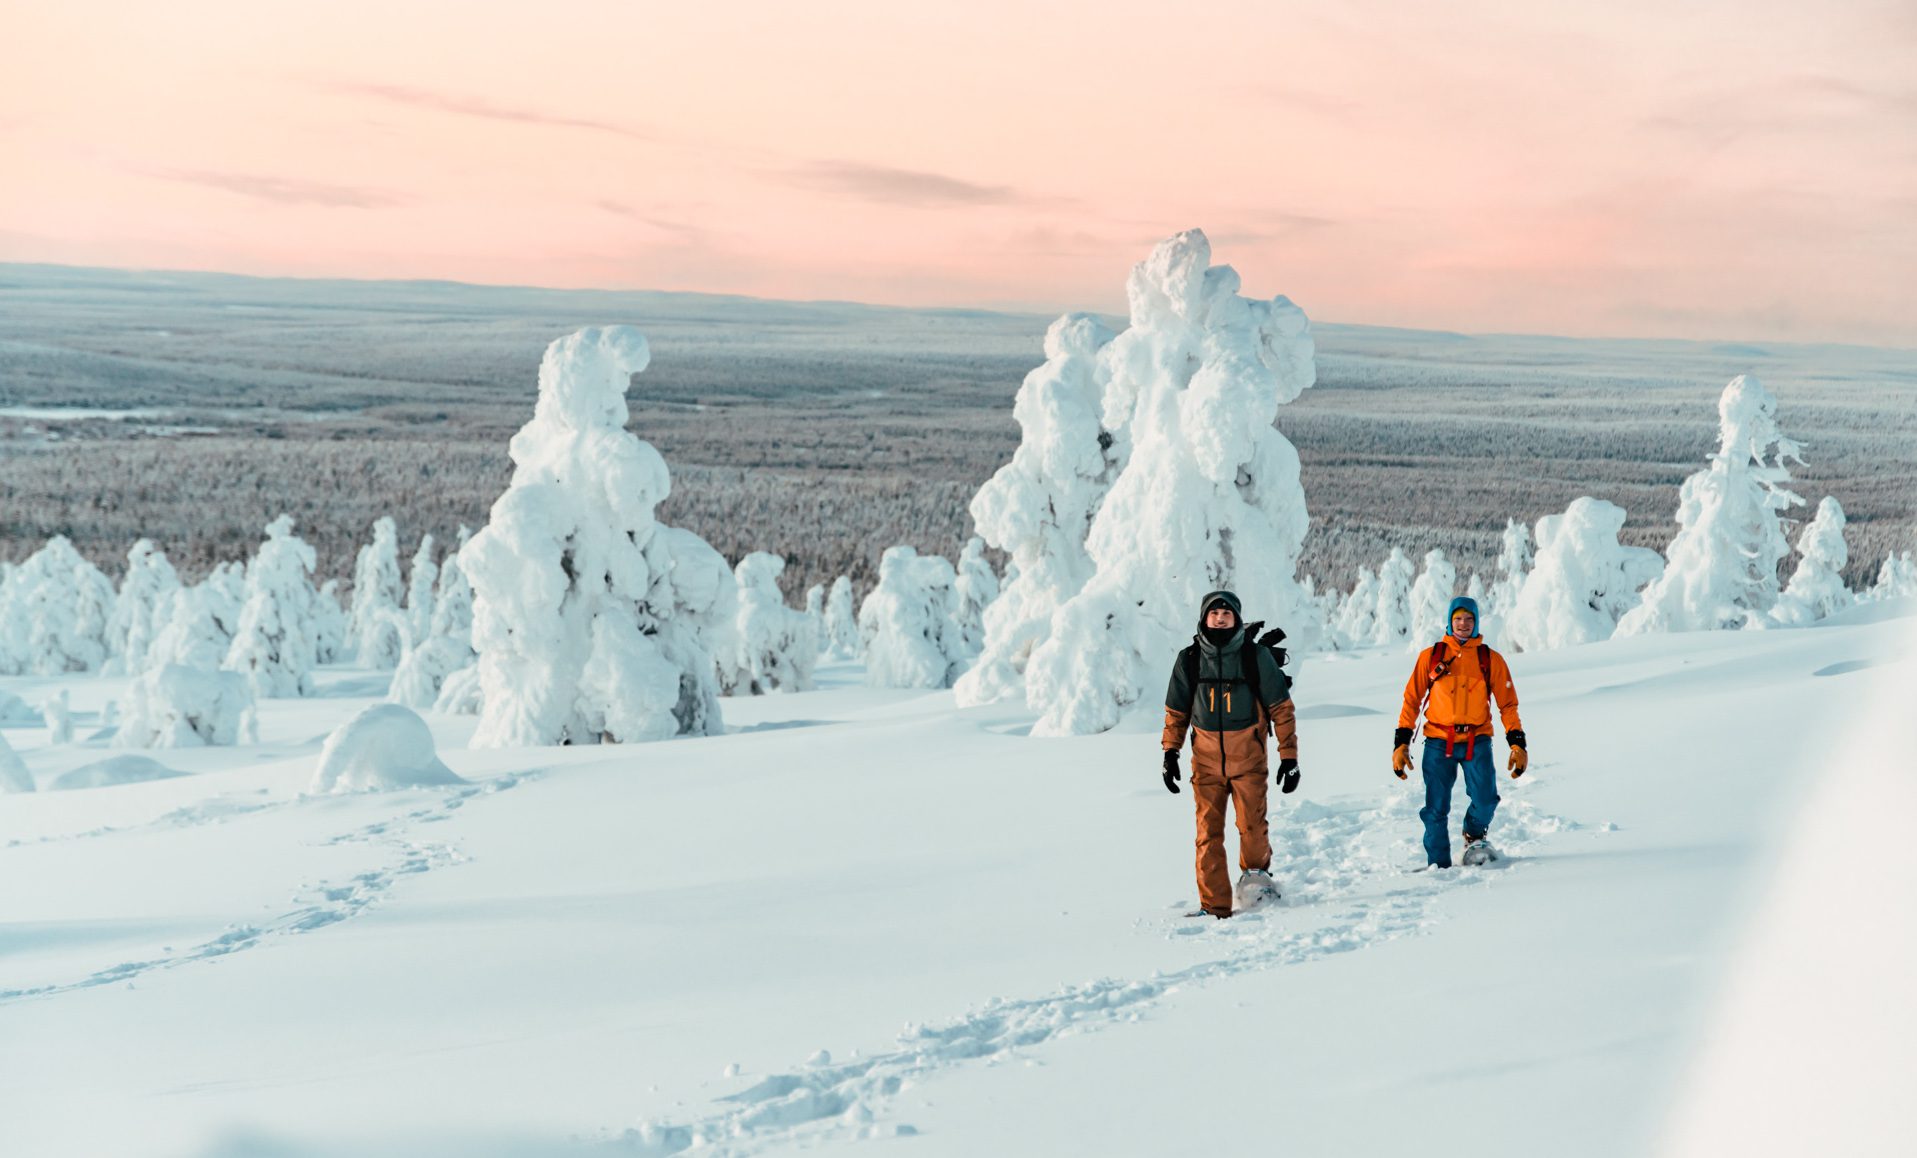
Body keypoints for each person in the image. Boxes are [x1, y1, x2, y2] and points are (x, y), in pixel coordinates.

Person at [1161, 590, 1300, 918]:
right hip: (1205, 763)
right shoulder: (1190, 659)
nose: (1220, 617)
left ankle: (1258, 889)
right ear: (1204, 618)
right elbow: (1176, 711)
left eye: (1227, 613)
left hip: (1249, 759)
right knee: (1207, 834)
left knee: (1252, 827)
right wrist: (1170, 753)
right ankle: (1213, 907)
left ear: (1237, 618)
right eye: (1214, 613)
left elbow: (1281, 709)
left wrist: (1289, 757)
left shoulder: (1255, 657)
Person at [1393, 595, 1528, 868]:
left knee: (1486, 799)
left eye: (1469, 619)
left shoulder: (1490, 659)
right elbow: (1411, 700)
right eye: (1458, 619)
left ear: (1476, 621)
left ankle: (1474, 834)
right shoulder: (1430, 657)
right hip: (1437, 742)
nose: (1463, 624)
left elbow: (1508, 704)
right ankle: (1438, 865)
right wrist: (1401, 742)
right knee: (1435, 810)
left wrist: (1517, 742)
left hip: (1476, 740)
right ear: (1449, 621)